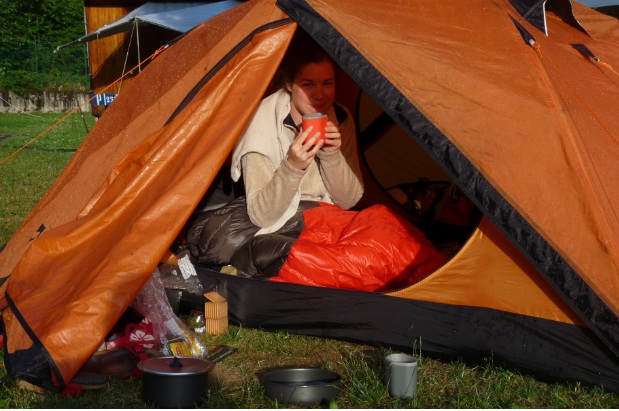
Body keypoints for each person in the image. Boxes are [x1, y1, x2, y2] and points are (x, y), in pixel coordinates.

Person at [231, 31, 364, 234]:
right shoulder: (262, 123)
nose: (319, 95)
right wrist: (292, 166)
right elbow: (262, 216)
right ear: (289, 84)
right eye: (308, 84)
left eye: (327, 83)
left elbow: (349, 200)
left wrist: (331, 154)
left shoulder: (340, 117)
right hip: (281, 229)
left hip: (328, 221)